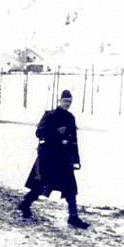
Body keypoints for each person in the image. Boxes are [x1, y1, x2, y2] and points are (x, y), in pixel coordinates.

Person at [18, 90, 90, 229]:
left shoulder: (70, 117)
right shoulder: (50, 115)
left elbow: (73, 139)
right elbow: (39, 132)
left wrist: (75, 158)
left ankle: (73, 217)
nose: (67, 104)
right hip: (49, 158)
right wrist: (58, 136)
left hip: (64, 159)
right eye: (65, 101)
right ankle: (25, 204)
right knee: (39, 186)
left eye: (69, 101)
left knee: (70, 188)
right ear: (60, 101)